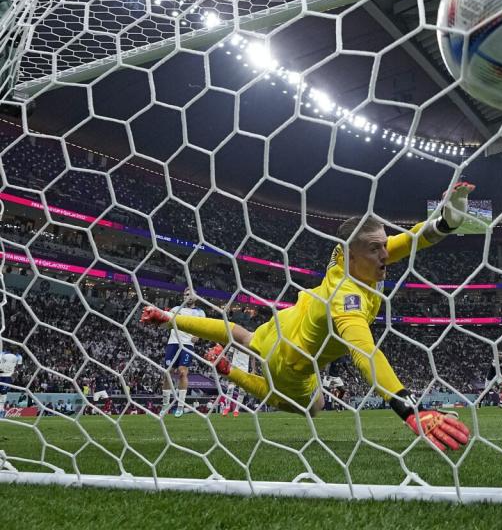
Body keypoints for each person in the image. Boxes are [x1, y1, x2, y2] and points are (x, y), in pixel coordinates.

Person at [142, 182, 475, 452]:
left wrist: (444, 223)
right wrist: (409, 408)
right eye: (377, 249)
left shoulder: (350, 255)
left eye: (384, 245)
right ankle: (233, 373)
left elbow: (408, 241)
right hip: (290, 362)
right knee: (311, 407)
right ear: (351, 255)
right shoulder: (347, 299)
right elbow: (365, 352)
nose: (386, 254)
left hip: (284, 324)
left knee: (241, 336)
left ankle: (175, 321)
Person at [162, 289, 202, 418]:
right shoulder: (175, 309)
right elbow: (165, 322)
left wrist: (198, 335)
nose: (189, 297)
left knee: (182, 372)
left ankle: (180, 405)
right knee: (167, 373)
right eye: (186, 294)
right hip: (173, 343)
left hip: (187, 345)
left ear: (196, 297)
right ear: (183, 296)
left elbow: (203, 327)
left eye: (191, 295)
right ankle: (165, 405)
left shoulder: (200, 313)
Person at [0, 351, 23, 417]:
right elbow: (19, 367)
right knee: (3, 394)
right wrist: (15, 375)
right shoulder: (18, 356)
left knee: (3, 394)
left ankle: (1, 411)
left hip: (7, 376)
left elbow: (18, 367)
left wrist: (15, 375)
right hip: (5, 376)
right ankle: (1, 411)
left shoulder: (2, 354)